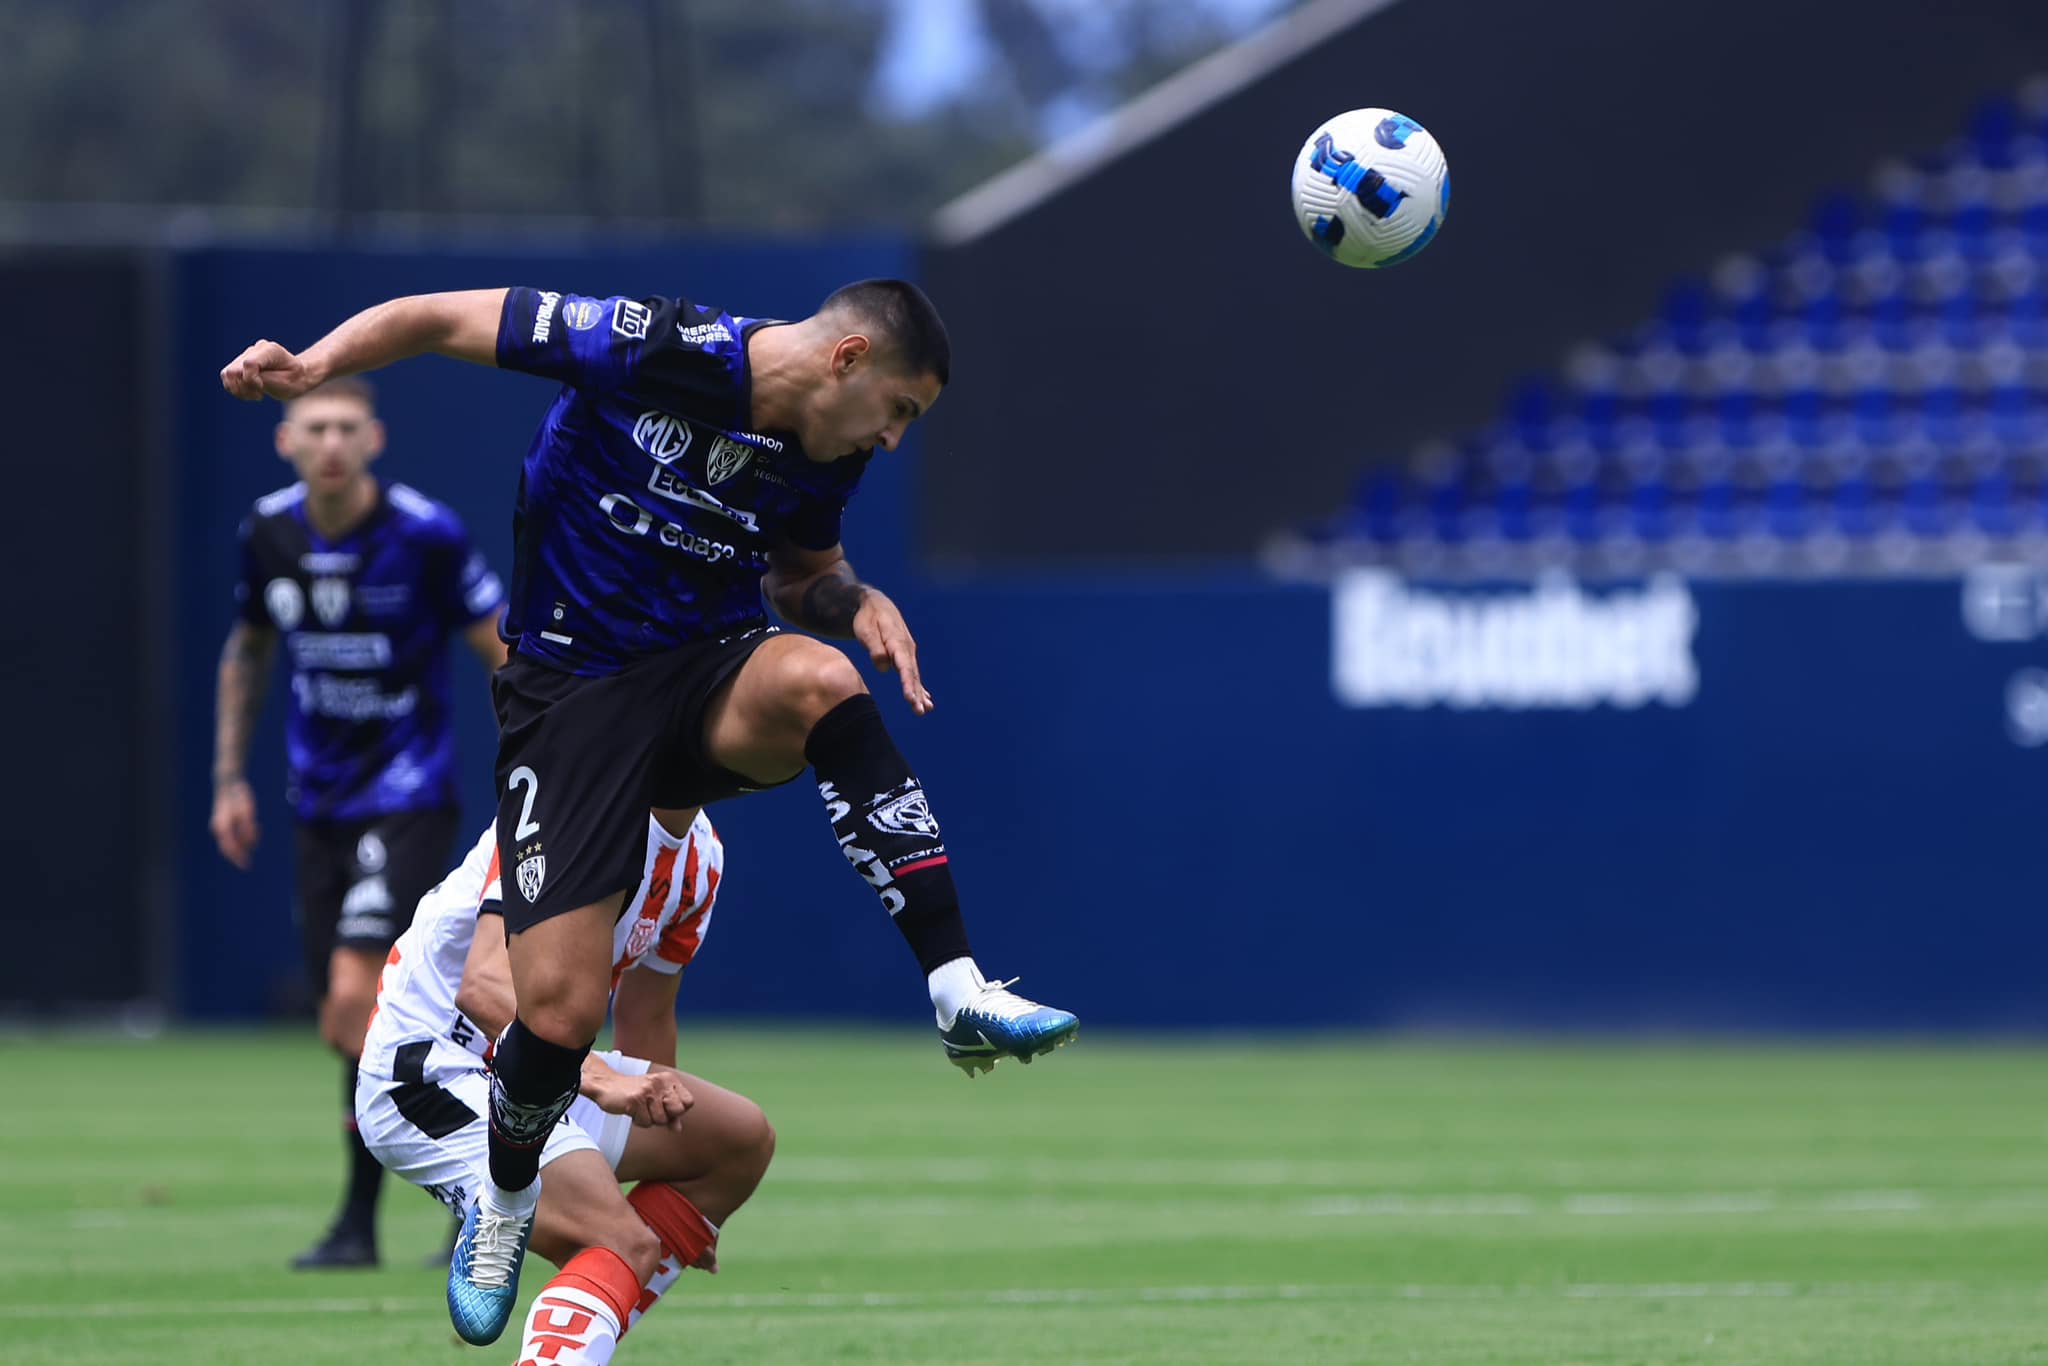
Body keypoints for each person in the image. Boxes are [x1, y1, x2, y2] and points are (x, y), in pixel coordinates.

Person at [220, 277, 1076, 1339]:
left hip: (700, 675)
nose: (893, 440)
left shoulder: (830, 446)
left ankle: (953, 988)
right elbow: (439, 318)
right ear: (849, 360)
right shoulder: (659, 345)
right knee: (559, 1012)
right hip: (570, 696)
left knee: (822, 684)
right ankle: (504, 1191)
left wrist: (858, 602)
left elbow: (802, 574)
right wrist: (312, 363)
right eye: (901, 410)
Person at [209, 376, 510, 1268]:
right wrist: (230, 777)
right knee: (352, 1024)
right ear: (286, 444)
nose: (331, 442)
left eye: (347, 427)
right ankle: (380, 1216)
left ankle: (422, 1202)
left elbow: (498, 649)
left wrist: (534, 773)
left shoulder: (424, 532)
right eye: (315, 428)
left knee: (354, 993)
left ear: (374, 437)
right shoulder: (267, 533)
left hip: (408, 795)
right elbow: (250, 650)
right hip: (319, 805)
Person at [357, 808, 769, 1360]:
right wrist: (594, 1076)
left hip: (544, 1071)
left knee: (739, 1143)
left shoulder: (701, 856)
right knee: (622, 1242)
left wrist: (676, 1208)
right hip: (433, 1066)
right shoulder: (569, 805)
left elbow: (646, 1019)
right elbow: (483, 987)